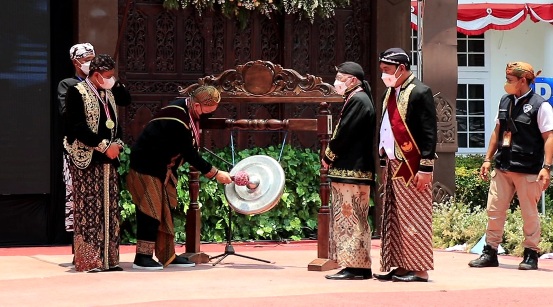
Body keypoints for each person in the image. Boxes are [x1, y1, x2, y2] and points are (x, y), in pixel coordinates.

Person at [126, 85, 233, 270]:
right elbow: (190, 154)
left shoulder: (186, 110)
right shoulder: (177, 119)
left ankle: (167, 255)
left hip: (162, 168)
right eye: (207, 113)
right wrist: (216, 173)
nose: (207, 117)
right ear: (197, 106)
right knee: (150, 210)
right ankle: (142, 257)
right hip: (146, 166)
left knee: (164, 211)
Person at [468, 62, 553, 270]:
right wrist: (488, 159)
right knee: (494, 210)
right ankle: (490, 251)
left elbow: (549, 137)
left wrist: (547, 167)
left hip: (528, 168)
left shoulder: (540, 105)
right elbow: (497, 131)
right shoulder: (505, 100)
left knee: (529, 213)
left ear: (523, 81)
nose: (507, 83)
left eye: (510, 80)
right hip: (504, 165)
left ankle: (531, 253)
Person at [373, 48, 437, 282]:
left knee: (414, 216)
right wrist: (382, 161)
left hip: (412, 165)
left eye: (387, 70)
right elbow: (385, 130)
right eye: (382, 71)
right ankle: (400, 264)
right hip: (392, 163)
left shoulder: (420, 92)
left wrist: (426, 168)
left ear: (401, 68)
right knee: (395, 216)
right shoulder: (389, 93)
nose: (384, 75)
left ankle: (419, 269)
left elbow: (429, 133)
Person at [64, 54, 132, 272]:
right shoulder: (76, 91)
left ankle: (109, 259)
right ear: (96, 75)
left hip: (108, 159)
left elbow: (117, 121)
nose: (111, 79)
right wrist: (104, 146)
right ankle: (90, 260)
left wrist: (118, 144)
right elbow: (77, 127)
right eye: (108, 76)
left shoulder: (109, 94)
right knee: (90, 210)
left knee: (110, 209)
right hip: (87, 158)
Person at [322, 62, 376, 280]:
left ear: (352, 80)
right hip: (353, 170)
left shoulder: (358, 100)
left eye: (340, 77)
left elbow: (343, 134)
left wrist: (328, 155)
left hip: (351, 170)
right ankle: (358, 266)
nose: (337, 82)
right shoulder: (356, 99)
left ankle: (355, 267)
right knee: (354, 219)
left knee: (349, 219)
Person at [57, 43, 95, 252]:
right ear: (76, 62)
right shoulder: (68, 85)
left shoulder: (100, 84)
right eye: (86, 58)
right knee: (78, 197)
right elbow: (66, 114)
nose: (91, 62)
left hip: (100, 149)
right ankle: (80, 251)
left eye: (93, 58)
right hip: (76, 149)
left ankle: (99, 248)